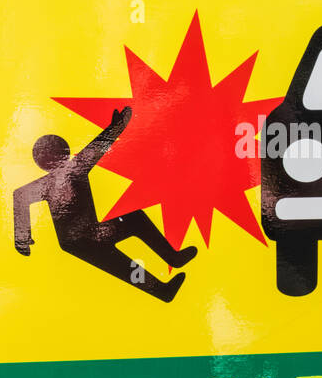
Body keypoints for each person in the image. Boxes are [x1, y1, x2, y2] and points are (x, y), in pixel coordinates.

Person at [13, 107, 197, 303]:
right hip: (80, 241)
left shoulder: (71, 170)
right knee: (122, 264)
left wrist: (22, 240)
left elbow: (20, 196)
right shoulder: (71, 171)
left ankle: (171, 265)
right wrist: (22, 239)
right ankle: (164, 286)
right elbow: (20, 196)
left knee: (134, 224)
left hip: (92, 232)